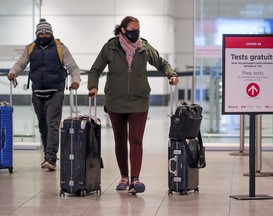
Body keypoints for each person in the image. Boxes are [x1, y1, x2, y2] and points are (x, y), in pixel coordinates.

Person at [88, 16, 179, 194]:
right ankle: (124, 177)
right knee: (120, 140)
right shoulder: (110, 47)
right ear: (123, 30)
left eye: (138, 30)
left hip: (139, 100)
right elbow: (95, 69)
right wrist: (93, 86)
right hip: (115, 101)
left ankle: (136, 179)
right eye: (132, 30)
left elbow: (160, 62)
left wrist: (171, 74)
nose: (136, 33)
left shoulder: (144, 47)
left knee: (136, 140)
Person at [7, 18, 81, 171]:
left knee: (52, 124)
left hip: (56, 91)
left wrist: (76, 80)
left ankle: (51, 157)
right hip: (37, 91)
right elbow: (21, 63)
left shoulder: (60, 48)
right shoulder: (30, 48)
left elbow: (72, 66)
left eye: (46, 32)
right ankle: (48, 154)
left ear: (51, 33)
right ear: (36, 34)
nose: (43, 35)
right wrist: (13, 72)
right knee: (43, 125)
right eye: (40, 33)